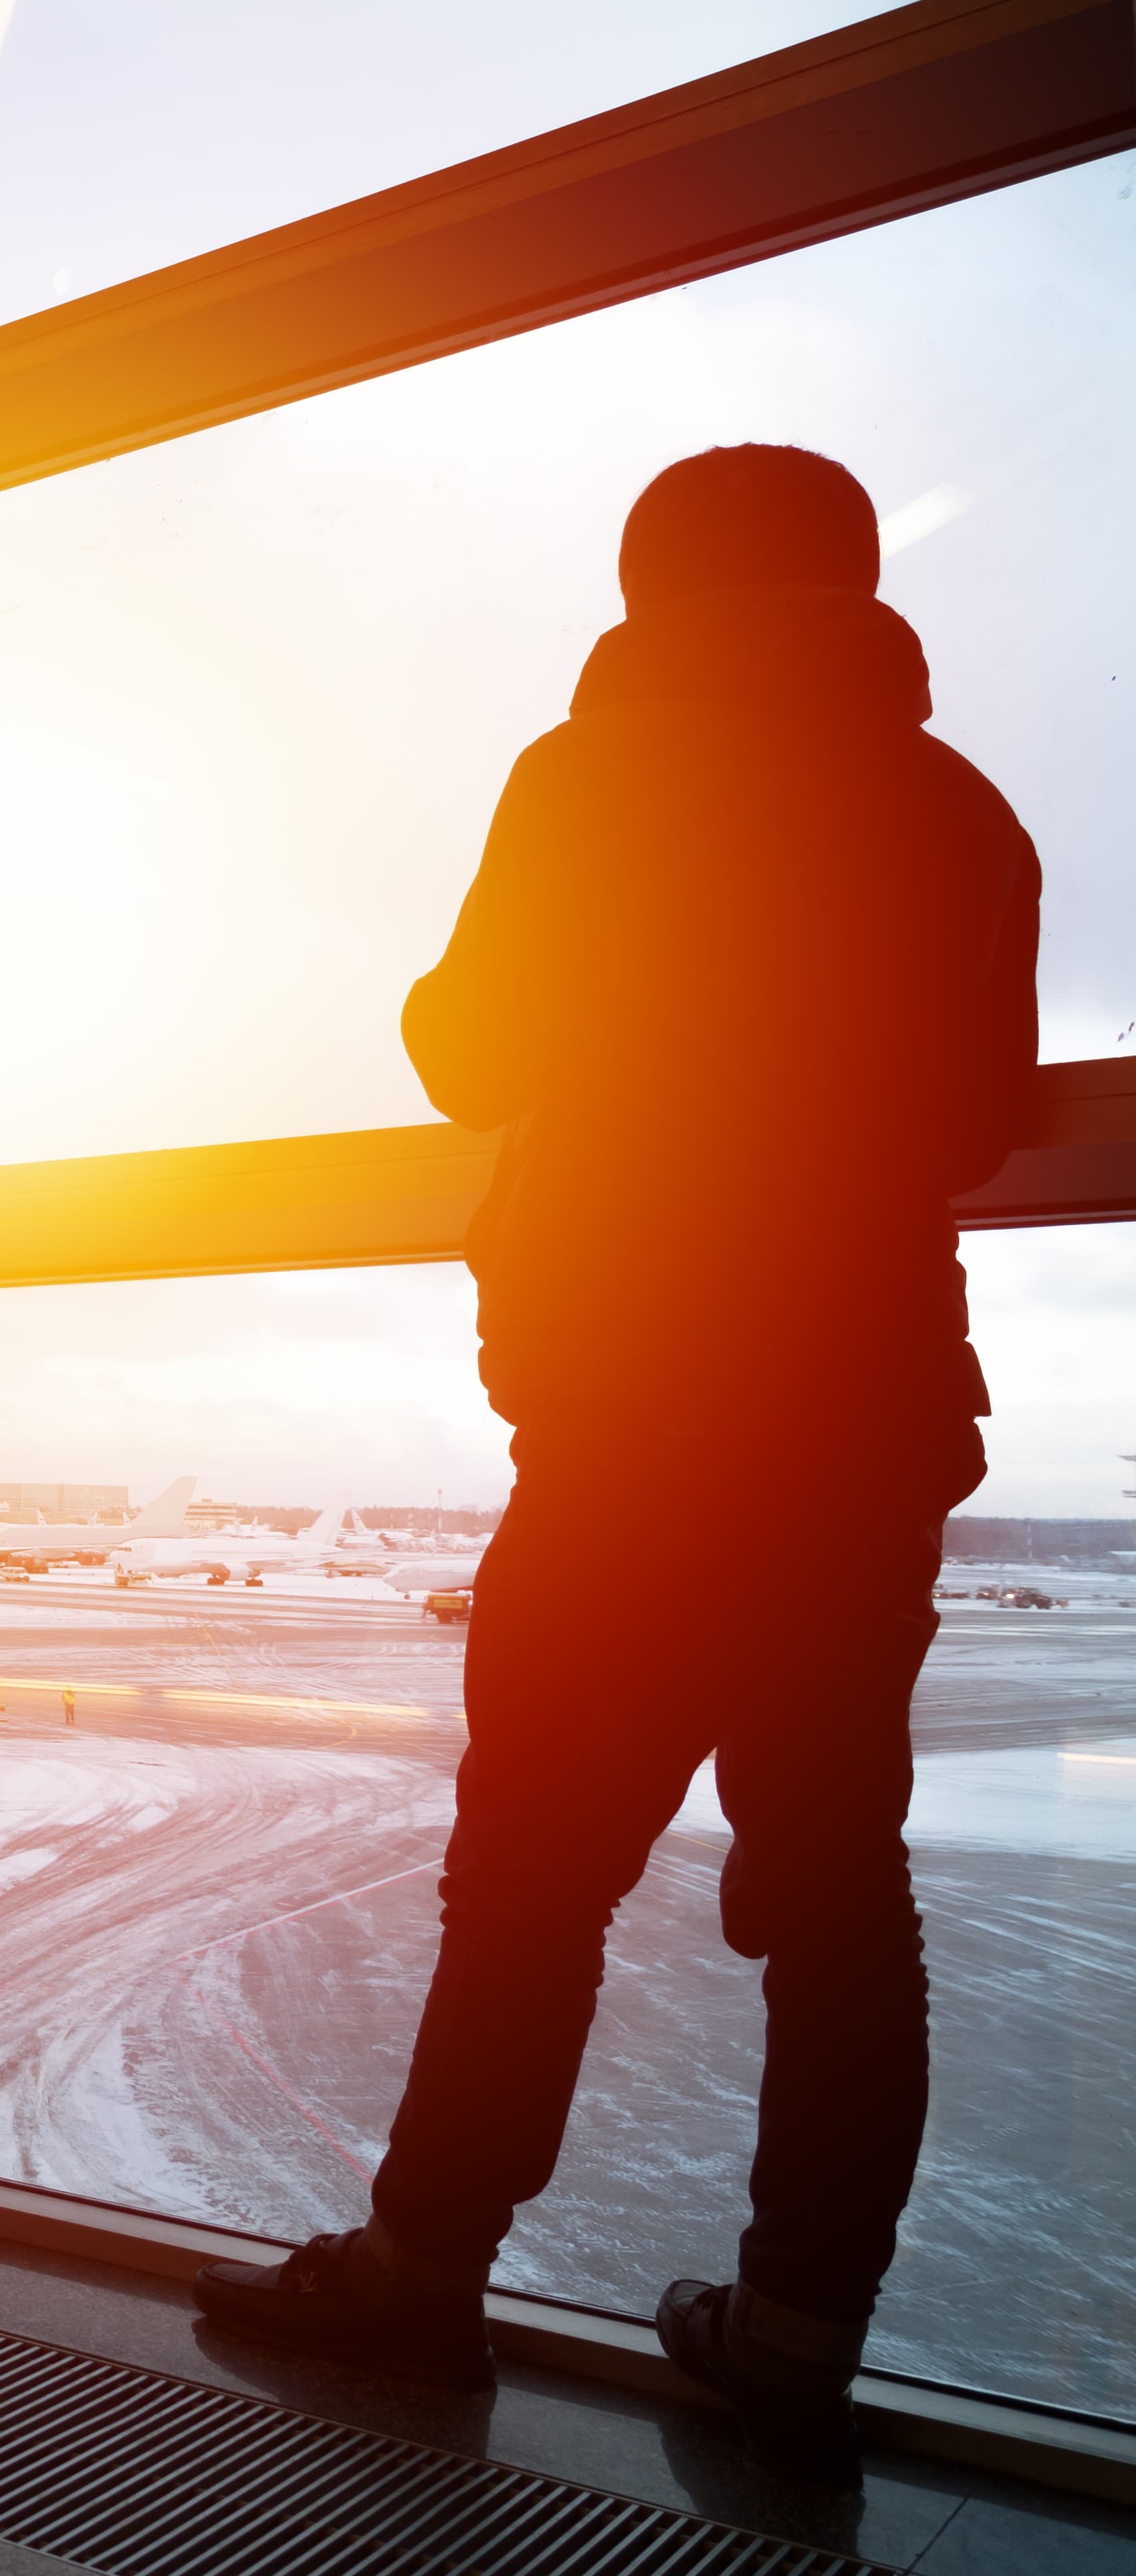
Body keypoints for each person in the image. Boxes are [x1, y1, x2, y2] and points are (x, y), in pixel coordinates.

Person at [191, 446, 1040, 2487]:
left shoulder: (591, 781)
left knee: (534, 1879)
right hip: (859, 1422)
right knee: (842, 1893)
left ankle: (425, 2268)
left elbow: (470, 1050)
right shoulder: (957, 812)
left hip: (636, 1407)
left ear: (655, 587)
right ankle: (799, 2331)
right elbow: (983, 1113)